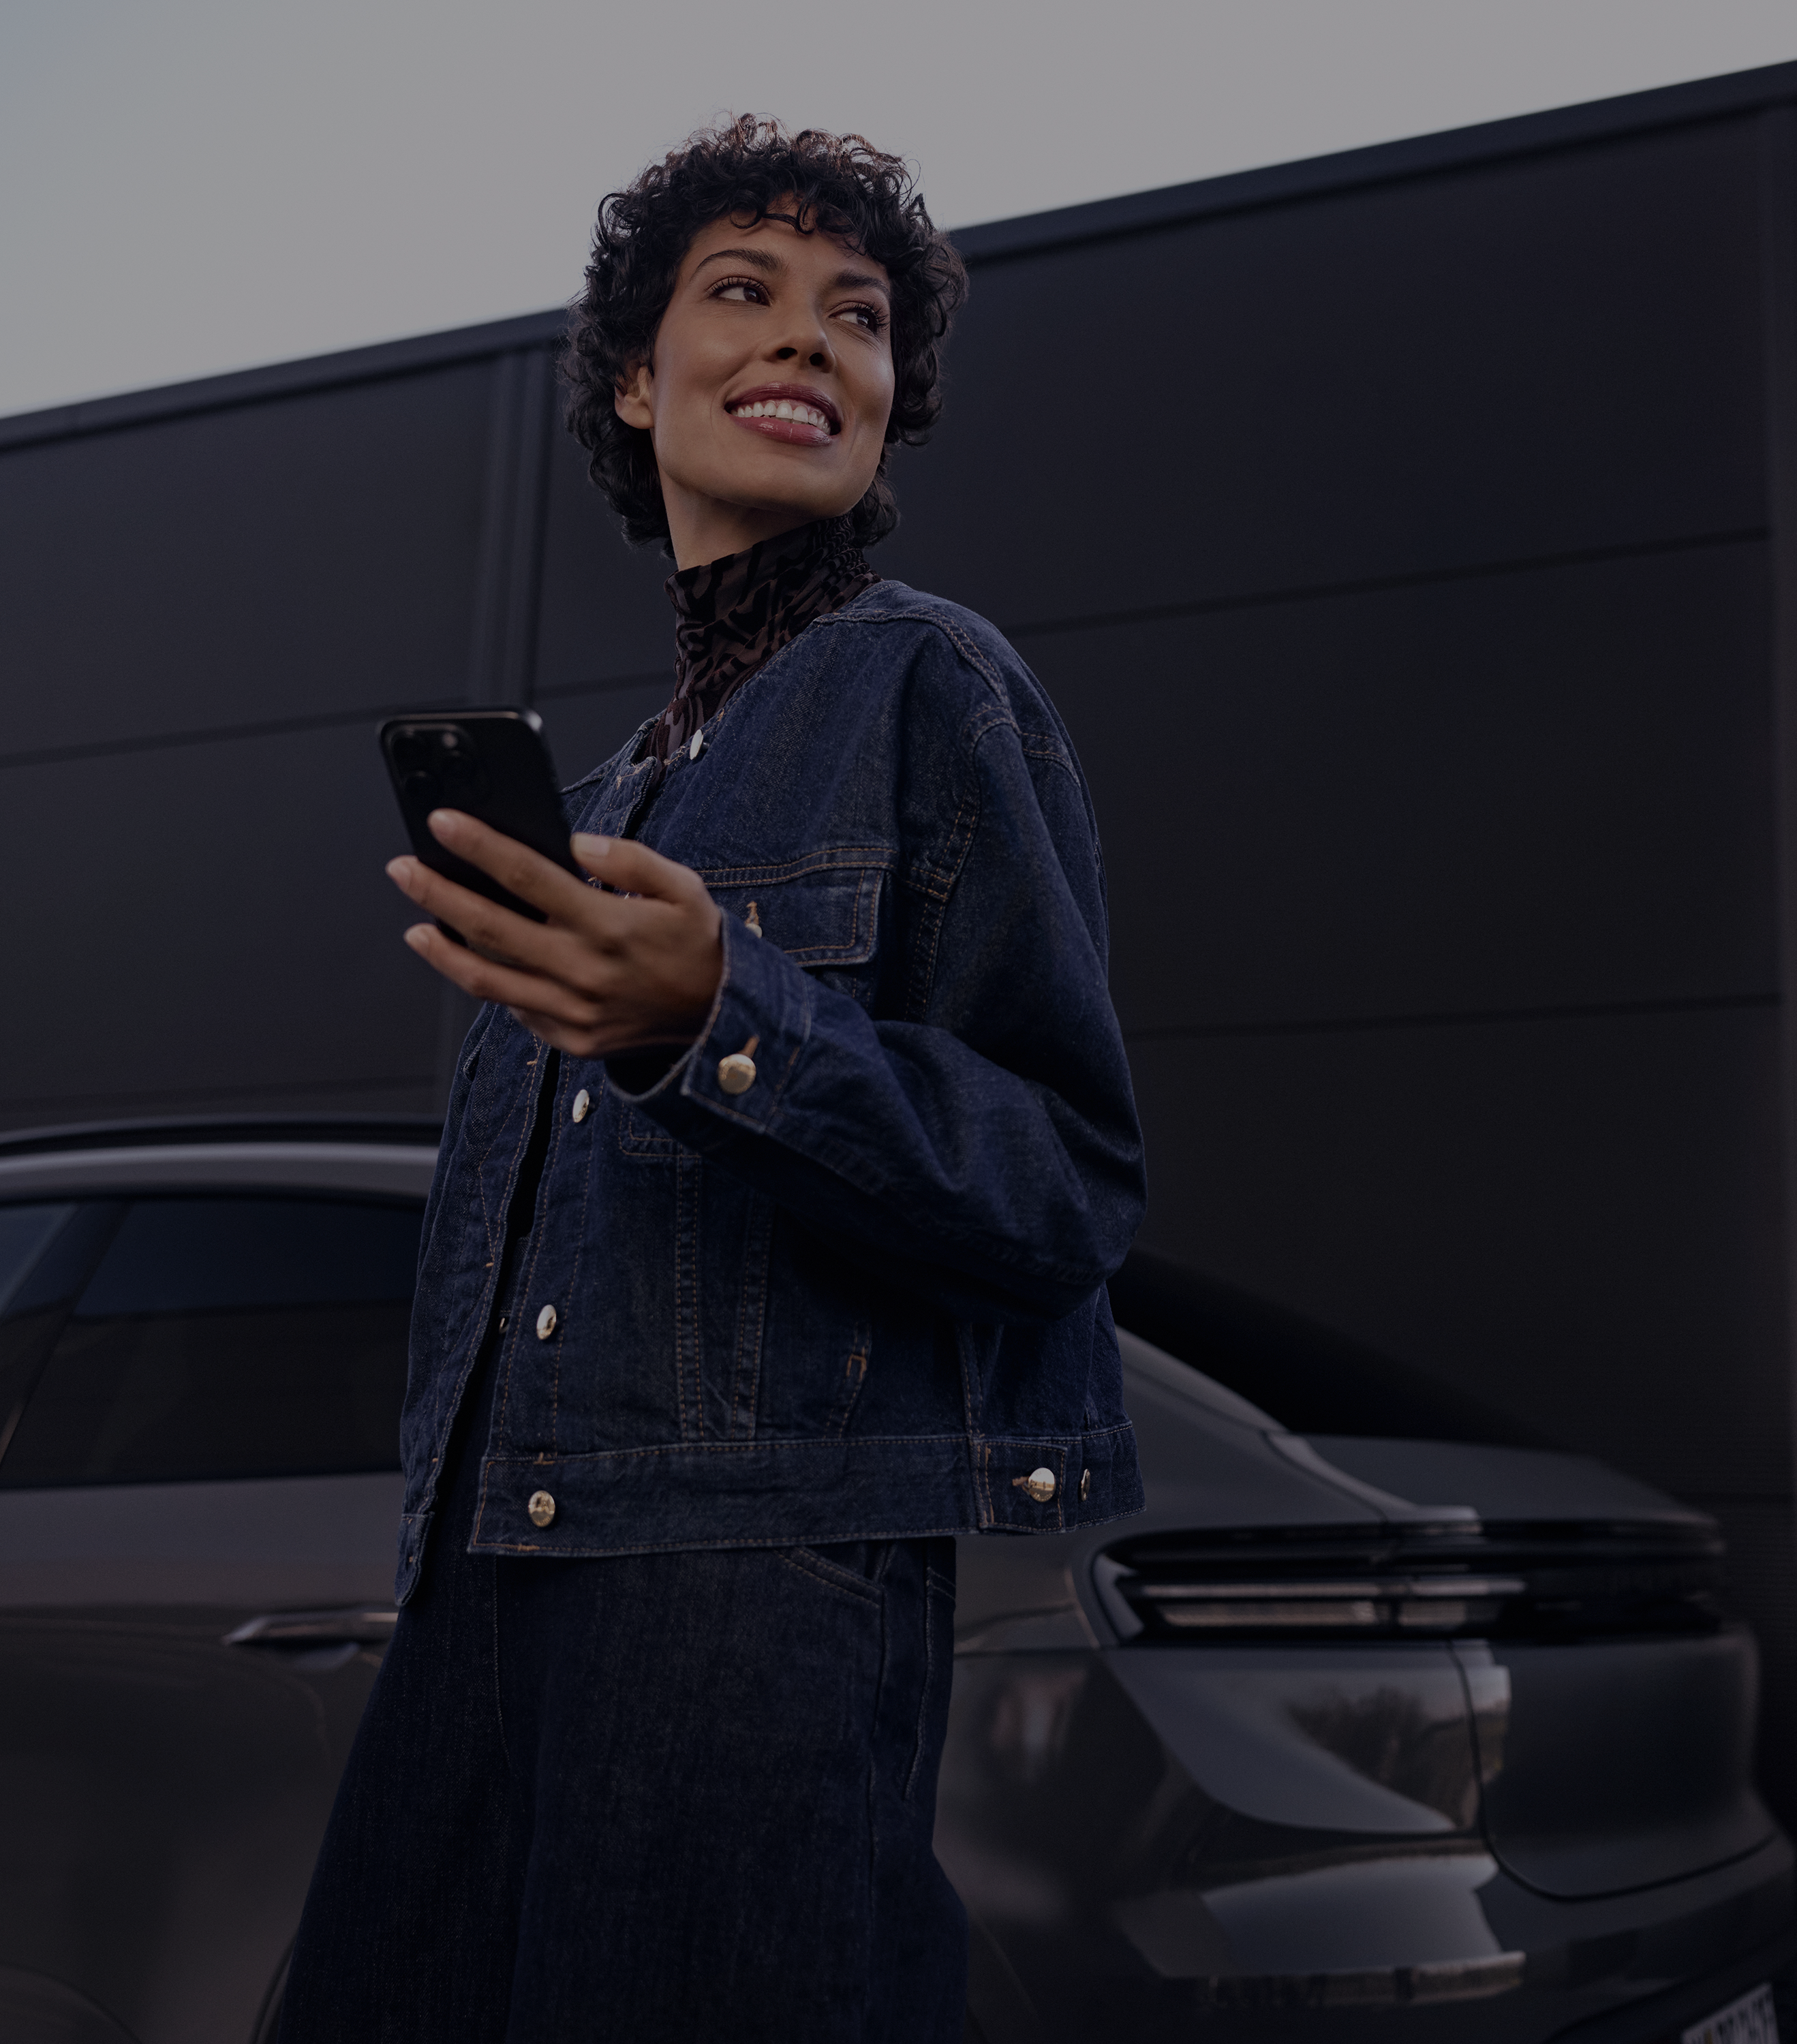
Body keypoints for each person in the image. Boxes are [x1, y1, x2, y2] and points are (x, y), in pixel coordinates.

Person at [276, 119, 1146, 2043]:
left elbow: (1068, 1184)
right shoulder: (597, 812)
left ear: (893, 397)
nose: (810, 343)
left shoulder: (935, 686)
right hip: (488, 1580)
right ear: (630, 375)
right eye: (743, 294)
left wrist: (716, 1021)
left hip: (749, 1600)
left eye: (858, 316)